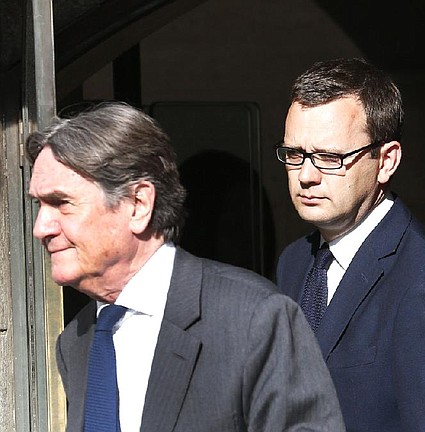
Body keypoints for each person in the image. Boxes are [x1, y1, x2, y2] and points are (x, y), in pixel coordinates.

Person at [26, 102, 345, 432]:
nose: (41, 227)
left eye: (61, 203)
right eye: (39, 205)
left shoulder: (253, 318)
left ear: (138, 205)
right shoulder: (76, 342)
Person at [274, 57, 425, 431]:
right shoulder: (294, 262)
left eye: (329, 157)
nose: (306, 175)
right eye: (295, 154)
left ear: (386, 161)